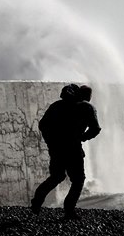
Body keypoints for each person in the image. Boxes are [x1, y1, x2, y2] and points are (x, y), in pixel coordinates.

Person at [31, 84, 101, 219]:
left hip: (56, 148)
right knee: (78, 180)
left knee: (56, 177)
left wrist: (51, 142)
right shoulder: (87, 107)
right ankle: (69, 210)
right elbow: (95, 129)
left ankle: (36, 203)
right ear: (87, 96)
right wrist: (82, 137)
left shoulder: (57, 106)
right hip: (73, 149)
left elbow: (43, 125)